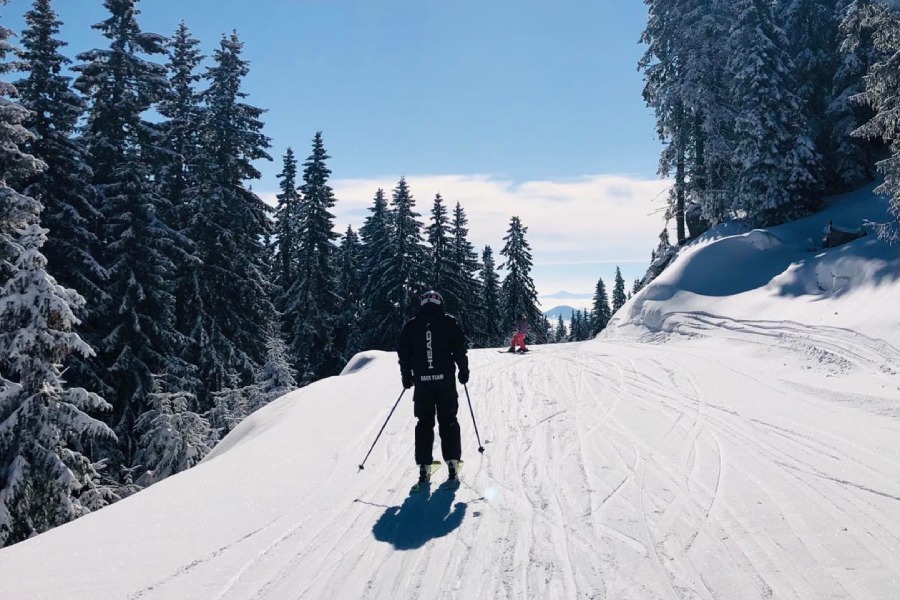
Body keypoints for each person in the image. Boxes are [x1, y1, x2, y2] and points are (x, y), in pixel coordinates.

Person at [398, 290, 469, 487]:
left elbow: (404, 354)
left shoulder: (411, 326)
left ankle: (424, 467)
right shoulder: (449, 322)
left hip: (423, 384)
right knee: (448, 420)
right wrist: (463, 370)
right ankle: (452, 464)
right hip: (445, 382)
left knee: (424, 423)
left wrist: (406, 376)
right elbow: (459, 349)